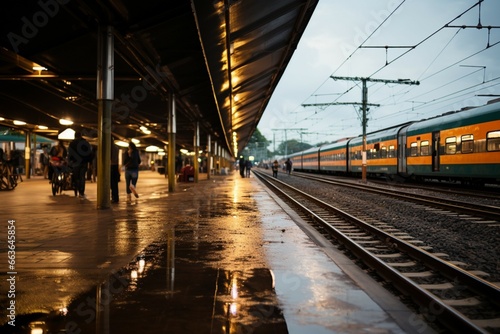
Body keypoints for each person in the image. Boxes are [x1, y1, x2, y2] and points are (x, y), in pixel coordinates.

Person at [68, 132, 93, 198]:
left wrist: (70, 161)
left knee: (77, 177)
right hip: (84, 162)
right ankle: (81, 192)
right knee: (82, 177)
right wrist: (90, 162)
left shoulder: (72, 143)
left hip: (75, 162)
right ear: (81, 135)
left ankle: (77, 188)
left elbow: (70, 153)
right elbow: (89, 153)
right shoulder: (85, 142)